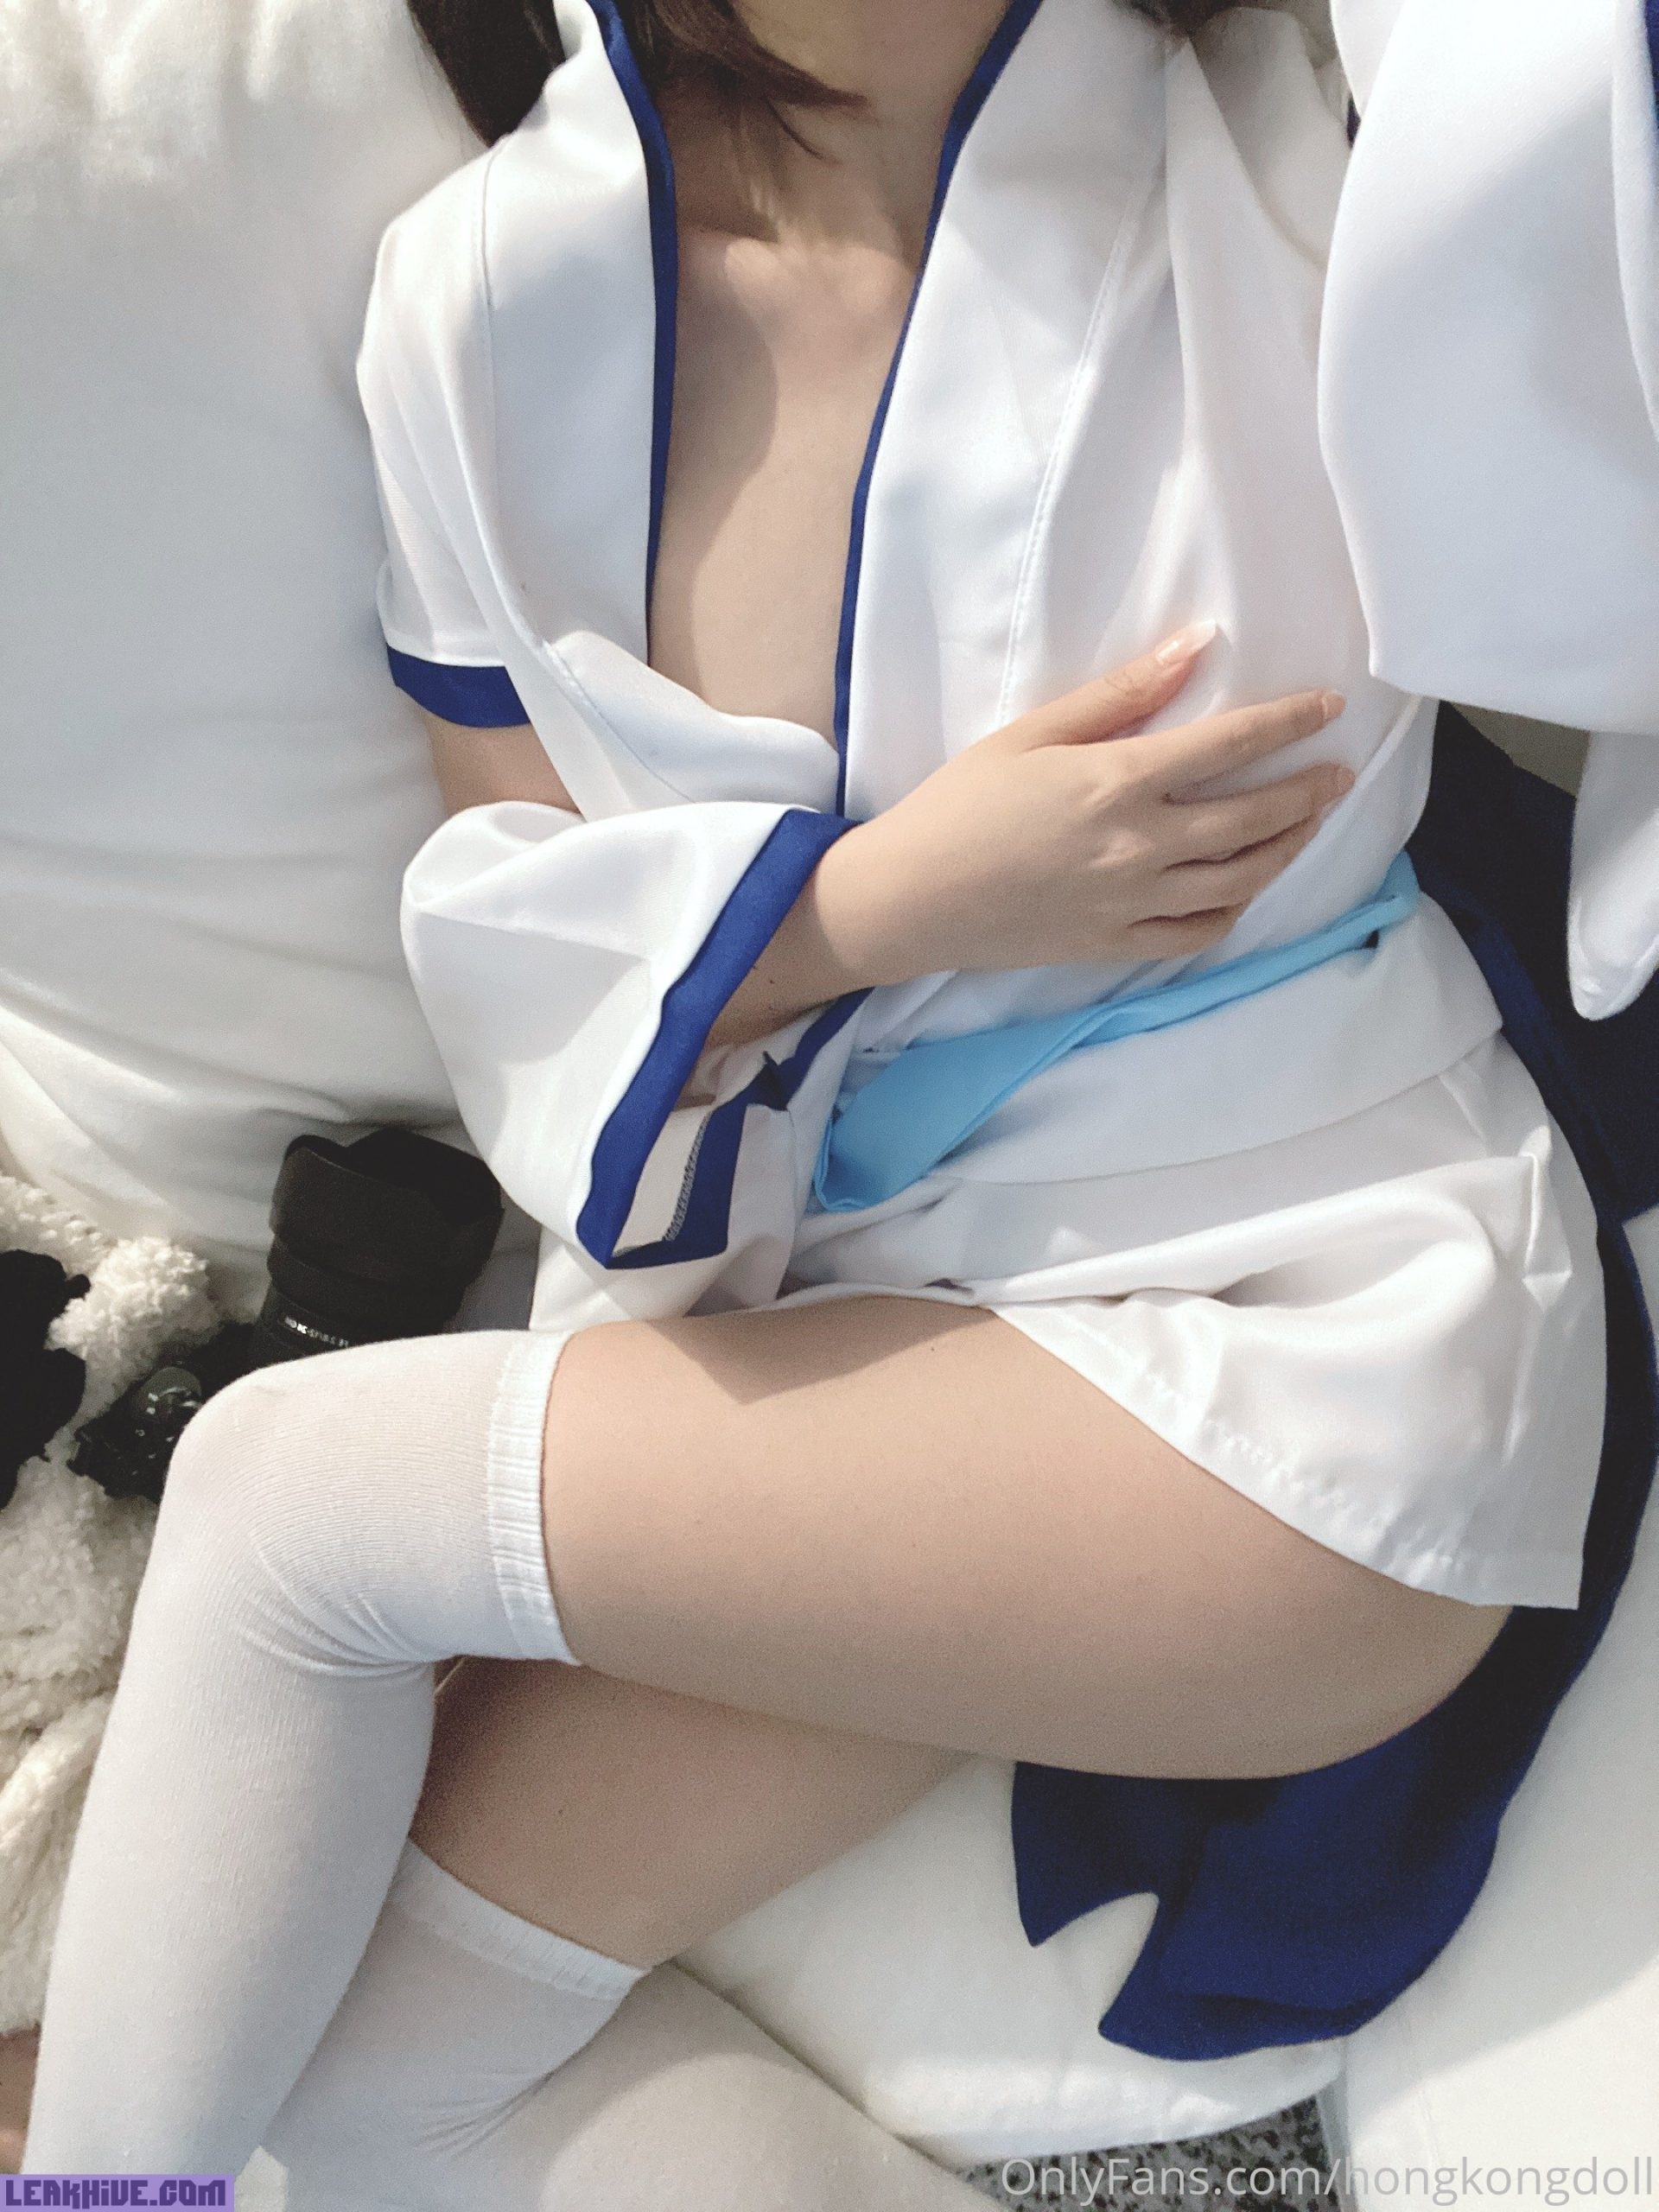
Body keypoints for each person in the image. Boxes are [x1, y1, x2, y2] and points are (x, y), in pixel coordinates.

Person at [24, 0, 1639, 2200]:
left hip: (1318, 1331)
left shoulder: (1282, 137)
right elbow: (524, 936)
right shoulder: (484, 308)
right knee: (386, 2074)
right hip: (888, 1348)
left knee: (291, 1497)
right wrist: (891, 898)